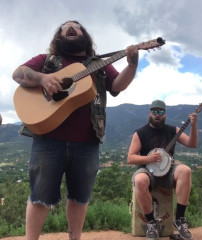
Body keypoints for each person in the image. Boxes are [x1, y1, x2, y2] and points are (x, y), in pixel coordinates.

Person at [12, 20, 139, 240]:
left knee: (80, 197)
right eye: (64, 27)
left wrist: (132, 64)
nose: (70, 28)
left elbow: (117, 85)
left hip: (87, 141)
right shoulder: (46, 61)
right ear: (58, 37)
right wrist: (42, 78)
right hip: (47, 139)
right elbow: (18, 73)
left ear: (85, 35)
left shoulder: (98, 64)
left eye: (76, 26)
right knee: (39, 196)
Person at [127, 100, 198, 240]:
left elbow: (192, 144)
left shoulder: (173, 130)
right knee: (139, 180)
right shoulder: (140, 133)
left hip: (169, 169)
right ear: (150, 113)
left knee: (185, 171)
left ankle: (179, 219)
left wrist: (194, 125)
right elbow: (131, 158)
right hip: (147, 170)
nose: (157, 115)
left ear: (165, 114)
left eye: (160, 112)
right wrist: (149, 159)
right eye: (154, 111)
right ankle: (151, 223)